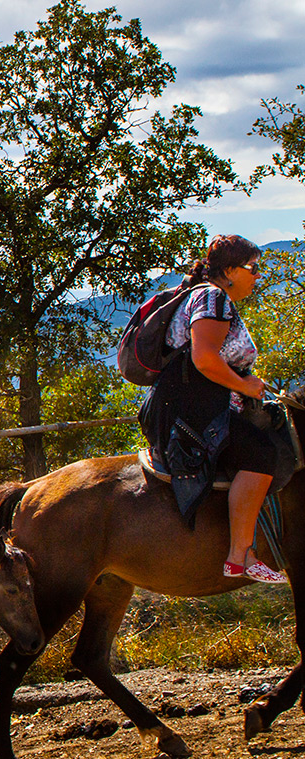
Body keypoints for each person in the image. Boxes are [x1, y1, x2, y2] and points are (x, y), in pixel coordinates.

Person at [140, 234, 286, 583]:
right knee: (261, 454)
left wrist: (248, 383)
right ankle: (240, 556)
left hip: (190, 406)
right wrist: (246, 385)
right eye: (253, 269)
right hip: (194, 414)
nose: (257, 276)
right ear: (231, 270)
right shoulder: (213, 298)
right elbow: (204, 359)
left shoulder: (207, 296)